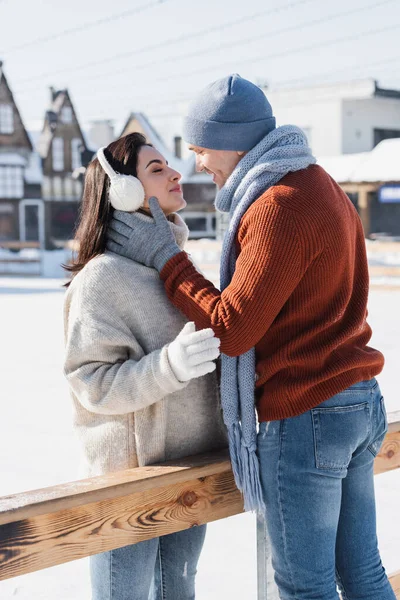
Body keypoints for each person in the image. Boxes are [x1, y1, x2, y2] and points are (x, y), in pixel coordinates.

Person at [106, 75, 396, 599]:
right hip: (357, 403)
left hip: (308, 412)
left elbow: (233, 329)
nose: (196, 164)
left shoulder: (277, 205)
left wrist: (169, 260)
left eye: (199, 149)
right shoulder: (319, 183)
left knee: (305, 587)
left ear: (229, 140)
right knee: (363, 574)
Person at [63, 132, 227, 600]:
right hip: (129, 486)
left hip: (190, 472)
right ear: (123, 191)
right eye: (157, 169)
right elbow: (90, 384)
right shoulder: (103, 278)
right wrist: (169, 366)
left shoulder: (177, 270)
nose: (177, 173)